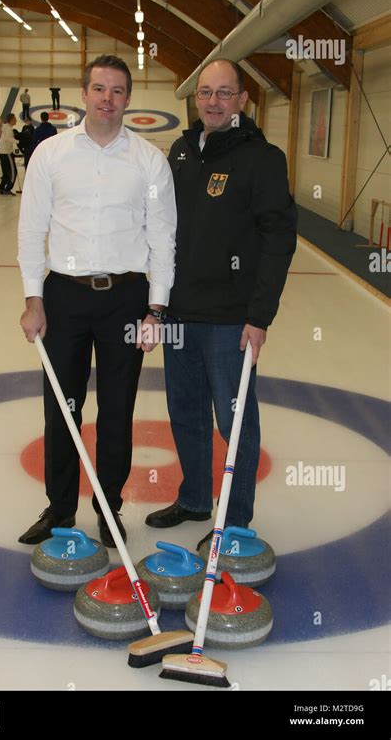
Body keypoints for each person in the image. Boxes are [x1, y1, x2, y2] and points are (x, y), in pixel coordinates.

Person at [17, 54, 176, 547]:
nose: (108, 99)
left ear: (129, 99)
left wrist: (156, 309)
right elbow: (31, 229)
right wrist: (33, 298)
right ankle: (60, 510)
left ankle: (109, 510)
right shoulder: (51, 155)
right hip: (63, 296)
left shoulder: (149, 160)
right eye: (99, 89)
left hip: (126, 300)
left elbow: (163, 238)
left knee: (116, 410)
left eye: (118, 90)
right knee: (61, 408)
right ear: (84, 94)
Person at [145, 59, 297, 545]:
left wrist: (260, 316)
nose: (212, 101)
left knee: (235, 420)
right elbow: (163, 231)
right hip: (180, 315)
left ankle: (234, 520)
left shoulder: (263, 158)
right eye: (205, 92)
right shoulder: (182, 153)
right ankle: (194, 498)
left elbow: (279, 241)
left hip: (231, 320)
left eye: (224, 93)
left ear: (242, 100)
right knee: (185, 410)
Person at [0, 114, 18, 195]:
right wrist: (18, 141)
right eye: (15, 119)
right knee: (13, 172)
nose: (16, 120)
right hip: (6, 153)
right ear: (12, 119)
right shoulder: (8, 129)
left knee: (6, 172)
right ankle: (8, 188)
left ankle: (1, 188)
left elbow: (1, 125)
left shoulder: (6, 127)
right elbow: (8, 139)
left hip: (2, 152)